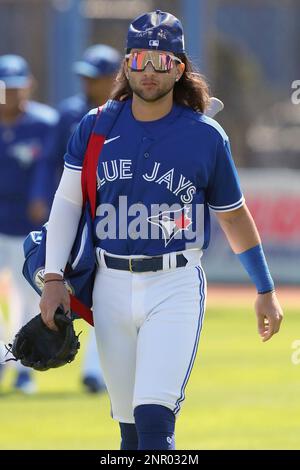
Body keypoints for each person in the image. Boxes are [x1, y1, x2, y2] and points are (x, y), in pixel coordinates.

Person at [40, 10, 283, 450]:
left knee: (155, 421)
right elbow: (67, 203)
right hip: (110, 284)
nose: (148, 71)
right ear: (126, 64)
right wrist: (53, 278)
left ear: (180, 68)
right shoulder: (95, 126)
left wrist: (264, 288)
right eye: (138, 59)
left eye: (161, 60)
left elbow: (232, 215)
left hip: (175, 283)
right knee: (129, 431)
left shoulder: (206, 136)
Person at [56, 44, 121, 393]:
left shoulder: (126, 116)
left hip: (104, 218)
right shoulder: (69, 114)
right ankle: (20, 367)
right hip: (71, 213)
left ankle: (96, 370)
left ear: (113, 78)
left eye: (94, 77)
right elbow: (51, 162)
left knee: (106, 289)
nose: (87, 83)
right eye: (84, 76)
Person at [0, 54, 58, 393]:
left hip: (28, 227)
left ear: (29, 86)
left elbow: (51, 168)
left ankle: (23, 367)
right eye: (5, 88)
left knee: (24, 296)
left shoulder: (44, 122)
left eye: (16, 87)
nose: (10, 95)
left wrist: (43, 199)